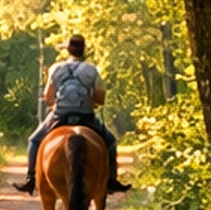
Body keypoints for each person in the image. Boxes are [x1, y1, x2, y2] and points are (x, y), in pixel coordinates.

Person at [14, 35, 130, 195]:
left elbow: (48, 97)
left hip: (60, 114)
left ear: (67, 51)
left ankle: (31, 178)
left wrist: (57, 102)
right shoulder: (92, 70)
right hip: (86, 115)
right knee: (110, 142)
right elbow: (100, 99)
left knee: (33, 140)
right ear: (84, 51)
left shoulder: (56, 68)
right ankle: (111, 180)